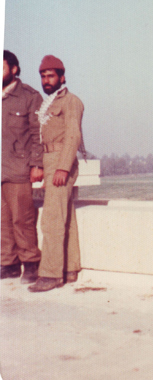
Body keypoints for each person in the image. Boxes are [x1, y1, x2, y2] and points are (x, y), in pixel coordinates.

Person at [29, 55, 84, 292]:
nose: (46, 80)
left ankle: (50, 275)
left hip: (62, 160)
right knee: (65, 216)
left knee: (51, 218)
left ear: (62, 77)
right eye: (43, 76)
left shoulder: (71, 101)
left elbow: (73, 135)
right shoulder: (48, 103)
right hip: (50, 159)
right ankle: (69, 269)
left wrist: (63, 167)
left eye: (51, 76)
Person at [1, 50, 43, 284]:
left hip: (18, 169)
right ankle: (8, 264)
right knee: (2, 221)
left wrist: (37, 164)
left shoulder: (29, 97)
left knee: (22, 219)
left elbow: (38, 133)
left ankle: (31, 263)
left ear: (14, 69)